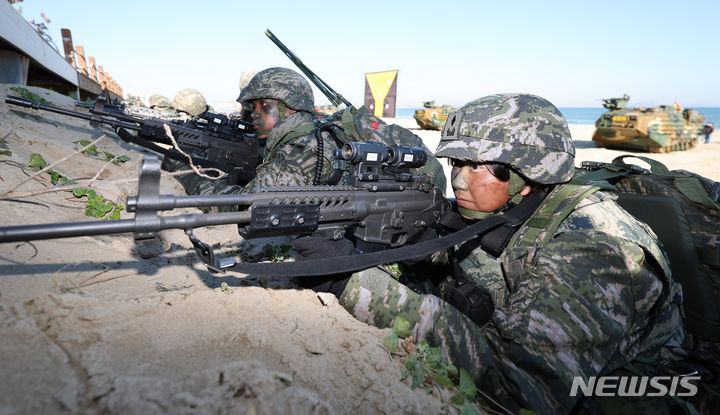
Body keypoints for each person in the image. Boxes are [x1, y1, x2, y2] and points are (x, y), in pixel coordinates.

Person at [298, 94, 686, 414]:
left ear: (526, 172)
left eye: (477, 165)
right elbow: (486, 260)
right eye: (456, 163)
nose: (460, 178)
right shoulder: (509, 207)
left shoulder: (591, 249)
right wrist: (419, 253)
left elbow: (517, 385)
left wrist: (355, 283)